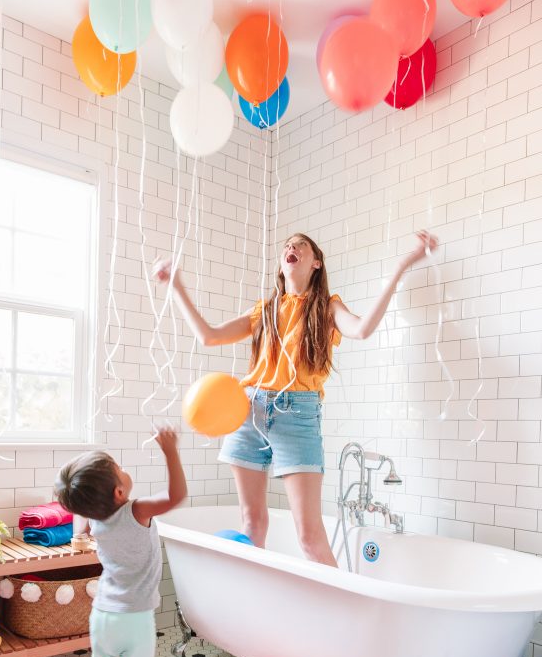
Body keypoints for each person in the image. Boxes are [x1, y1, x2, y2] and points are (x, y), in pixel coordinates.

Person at [152, 231, 438, 567]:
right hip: (249, 411)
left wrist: (401, 266)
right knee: (252, 523)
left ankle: (339, 612)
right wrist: (176, 285)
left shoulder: (327, 307)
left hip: (298, 416)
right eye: (288, 244)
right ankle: (250, 607)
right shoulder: (266, 310)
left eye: (300, 244)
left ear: (316, 262)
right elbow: (209, 335)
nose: (291, 247)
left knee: (309, 536)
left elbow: (361, 330)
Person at [54, 427, 187, 657]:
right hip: (135, 618)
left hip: (102, 614)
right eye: (119, 469)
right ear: (117, 492)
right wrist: (170, 451)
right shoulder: (137, 510)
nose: (124, 469)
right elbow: (176, 497)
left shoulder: (95, 518)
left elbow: (81, 514)